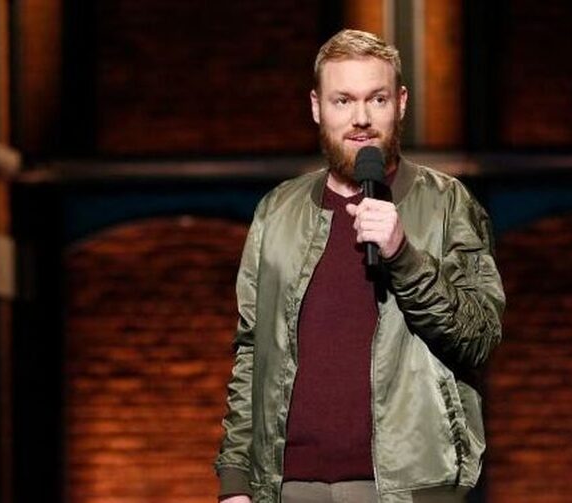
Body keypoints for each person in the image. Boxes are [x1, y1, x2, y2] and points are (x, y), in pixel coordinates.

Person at [215, 29, 505, 503]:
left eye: (377, 99)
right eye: (343, 100)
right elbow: (252, 351)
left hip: (405, 488)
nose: (362, 118)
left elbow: (478, 337)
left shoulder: (447, 204)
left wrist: (403, 256)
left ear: (401, 103)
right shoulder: (277, 211)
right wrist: (235, 480)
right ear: (317, 107)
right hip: (288, 487)